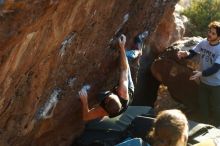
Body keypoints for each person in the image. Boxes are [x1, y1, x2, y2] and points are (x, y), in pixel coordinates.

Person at [79, 34, 135, 121]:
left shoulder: (103, 110)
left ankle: (134, 53)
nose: (109, 94)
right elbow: (124, 69)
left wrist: (85, 102)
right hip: (129, 90)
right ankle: (132, 54)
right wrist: (122, 47)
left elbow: (85, 117)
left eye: (108, 96)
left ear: (105, 103)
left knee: (99, 97)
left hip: (113, 110)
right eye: (111, 95)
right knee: (125, 59)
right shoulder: (123, 91)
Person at [177, 21, 220, 126]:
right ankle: (204, 125)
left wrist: (201, 73)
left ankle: (217, 126)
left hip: (216, 84)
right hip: (203, 82)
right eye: (210, 31)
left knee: (216, 106)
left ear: (219, 37)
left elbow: (216, 67)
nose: (209, 34)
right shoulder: (204, 42)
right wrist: (185, 54)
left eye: (213, 33)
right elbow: (193, 53)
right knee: (203, 105)